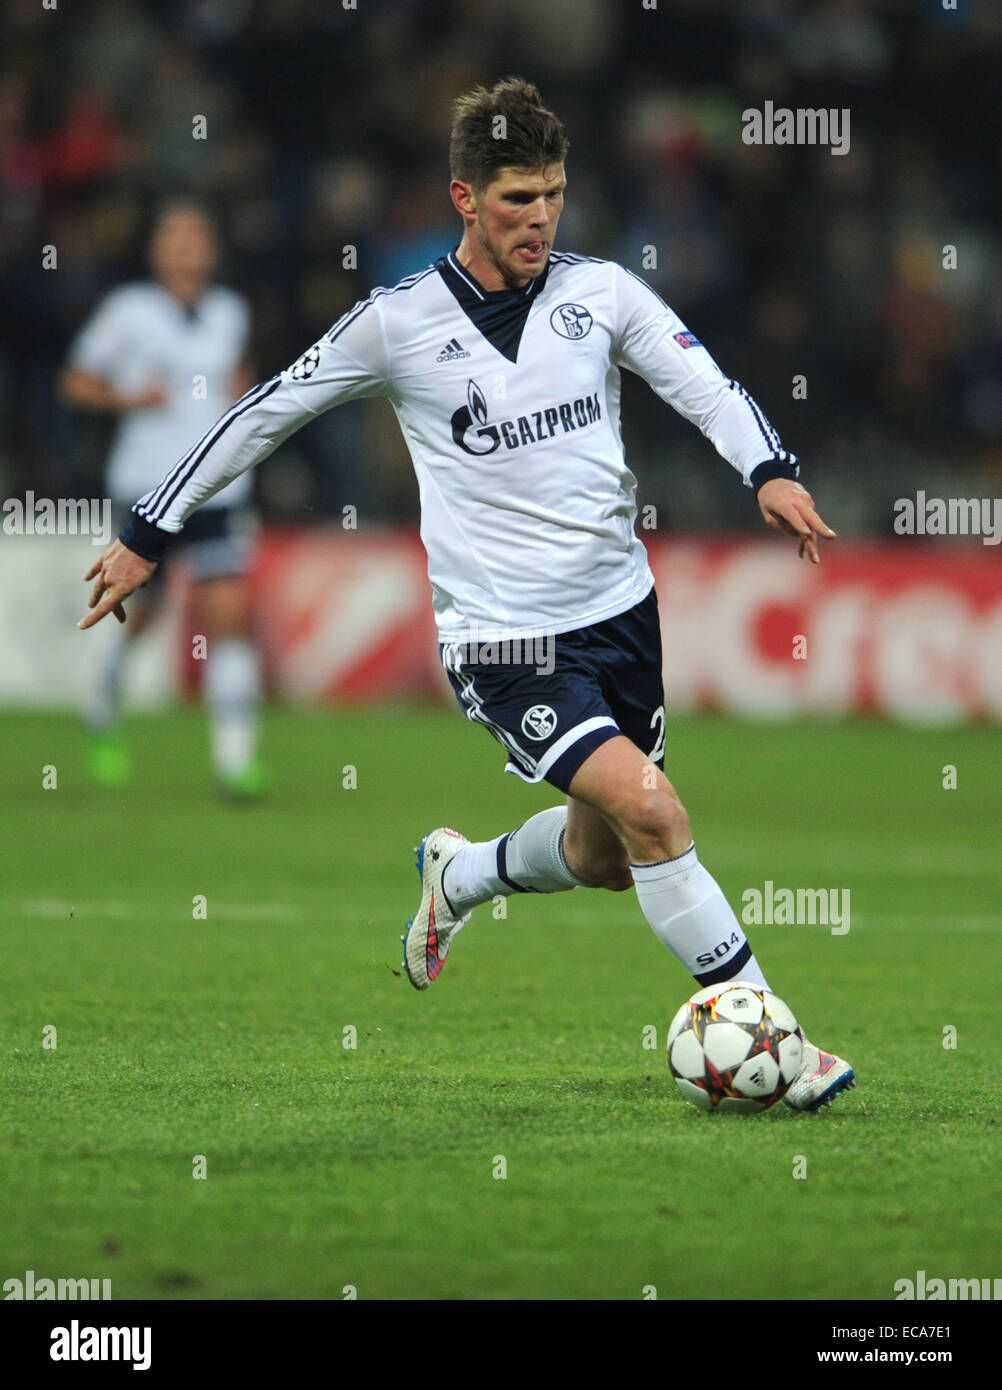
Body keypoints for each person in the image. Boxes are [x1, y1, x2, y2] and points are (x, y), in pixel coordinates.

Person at [80, 79, 853, 1109]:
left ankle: (464, 874)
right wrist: (146, 531)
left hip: (620, 614)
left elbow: (702, 381)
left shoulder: (602, 294)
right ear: (465, 197)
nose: (539, 218)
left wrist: (769, 469)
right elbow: (263, 415)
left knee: (608, 852)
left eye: (553, 196)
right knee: (657, 815)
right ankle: (778, 1041)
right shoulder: (397, 326)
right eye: (516, 199)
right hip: (502, 637)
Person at [62, 199, 266, 796]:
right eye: (176, 236)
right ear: (156, 249)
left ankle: (235, 762)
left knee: (228, 615)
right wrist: (128, 399)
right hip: (148, 487)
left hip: (217, 487)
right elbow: (75, 382)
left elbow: (242, 387)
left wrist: (242, 392)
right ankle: (100, 702)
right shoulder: (128, 311)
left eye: (197, 236)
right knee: (142, 616)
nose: (187, 247)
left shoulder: (229, 311)